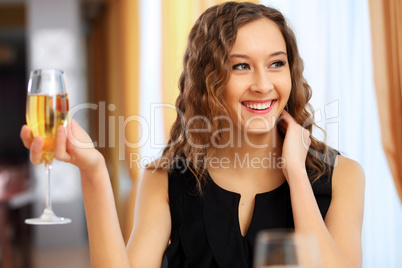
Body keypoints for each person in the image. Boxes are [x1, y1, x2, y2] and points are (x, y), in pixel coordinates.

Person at [20, 2, 365, 267]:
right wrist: (93, 171)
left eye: (276, 63)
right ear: (208, 81)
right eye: (240, 66)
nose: (263, 85)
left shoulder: (342, 177)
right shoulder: (166, 179)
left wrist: (297, 175)